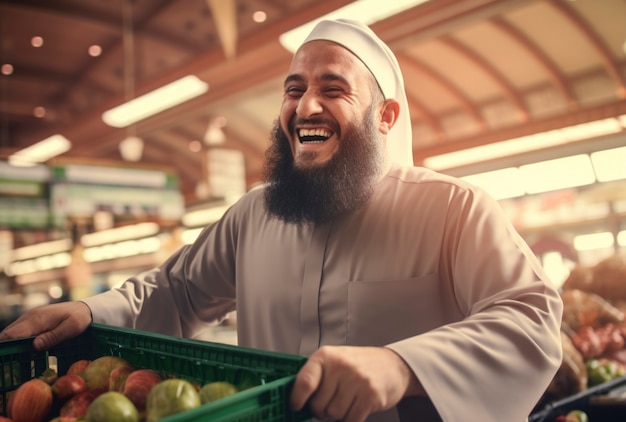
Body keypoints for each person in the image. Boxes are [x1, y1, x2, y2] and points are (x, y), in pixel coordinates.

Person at [0, 19, 562, 421]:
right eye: (295, 89)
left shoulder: (452, 209)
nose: (306, 106)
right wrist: (88, 309)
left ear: (386, 116)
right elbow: (173, 293)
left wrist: (402, 366)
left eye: (332, 89)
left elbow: (532, 320)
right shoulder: (254, 214)